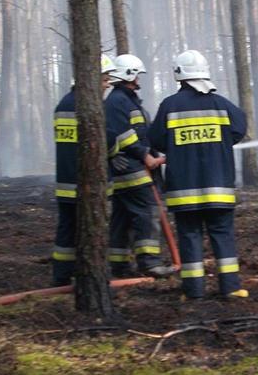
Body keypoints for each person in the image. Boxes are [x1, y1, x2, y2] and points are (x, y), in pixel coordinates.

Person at [148, 50, 249, 299]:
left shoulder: (169, 106)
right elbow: (239, 130)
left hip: (183, 190)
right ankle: (231, 288)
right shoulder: (221, 104)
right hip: (219, 188)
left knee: (189, 237)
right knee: (222, 235)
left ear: (179, 75)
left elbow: (156, 139)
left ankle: (194, 292)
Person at [105, 54, 174, 279]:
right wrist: (145, 156)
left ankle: (119, 265)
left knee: (123, 217)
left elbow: (143, 133)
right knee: (148, 212)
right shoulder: (118, 101)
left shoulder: (126, 100)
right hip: (133, 169)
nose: (138, 79)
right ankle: (150, 262)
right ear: (129, 75)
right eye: (137, 75)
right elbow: (124, 135)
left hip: (129, 168)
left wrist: (154, 152)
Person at [51, 53, 116, 286]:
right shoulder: (91, 107)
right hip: (88, 183)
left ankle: (62, 275)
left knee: (67, 229)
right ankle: (92, 276)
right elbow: (106, 141)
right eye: (105, 79)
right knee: (93, 230)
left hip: (65, 182)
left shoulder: (63, 105)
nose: (108, 84)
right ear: (92, 77)